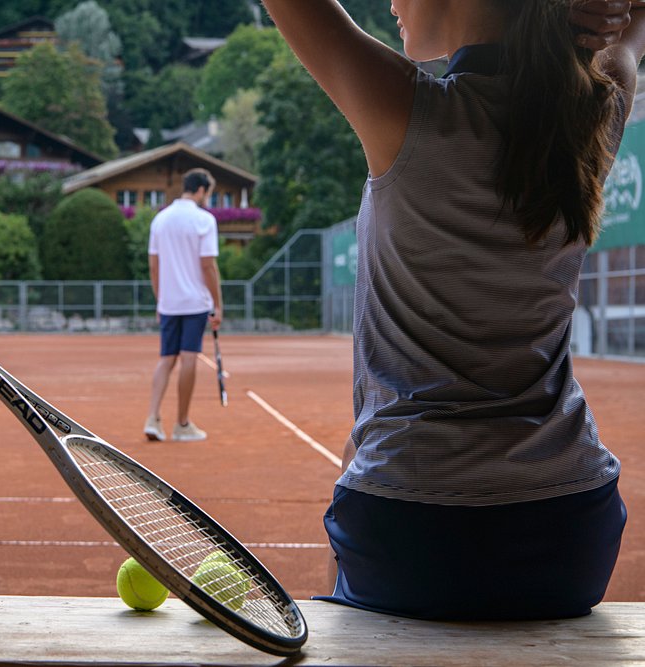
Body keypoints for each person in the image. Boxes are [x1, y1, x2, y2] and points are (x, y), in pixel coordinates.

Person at [261, 0, 645, 620]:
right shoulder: (597, 108)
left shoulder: (407, 109)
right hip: (572, 530)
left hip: (413, 532)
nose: (390, 2)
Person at [144, 168, 223, 442]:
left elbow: (153, 266)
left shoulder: (160, 220)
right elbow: (208, 266)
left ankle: (152, 418)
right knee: (189, 358)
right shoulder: (204, 220)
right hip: (194, 302)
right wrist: (218, 304)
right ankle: (182, 423)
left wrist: (160, 299)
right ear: (201, 191)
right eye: (209, 194)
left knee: (166, 358)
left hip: (169, 302)